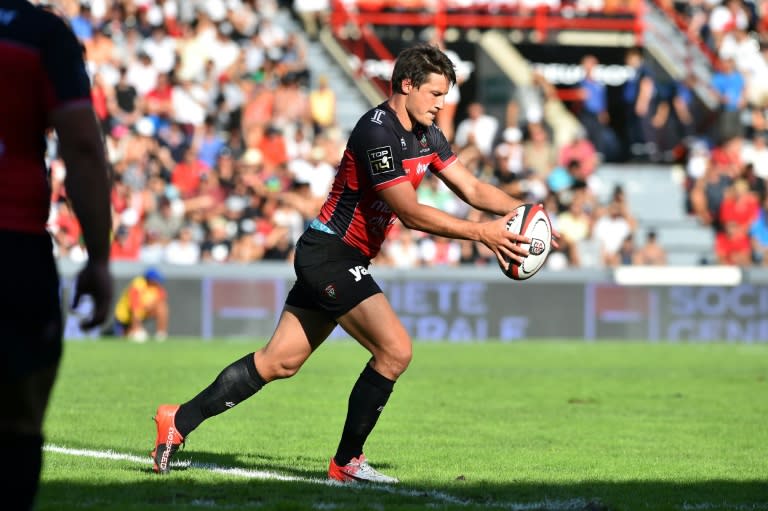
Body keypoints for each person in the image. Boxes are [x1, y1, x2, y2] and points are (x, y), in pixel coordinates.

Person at [150, 44, 552, 483]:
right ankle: (347, 463)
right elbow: (410, 211)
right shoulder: (375, 133)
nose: (442, 104)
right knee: (395, 350)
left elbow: (473, 189)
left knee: (278, 362)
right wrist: (483, 233)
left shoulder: (428, 135)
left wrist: (529, 215)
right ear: (407, 85)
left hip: (339, 256)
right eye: (435, 93)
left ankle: (178, 419)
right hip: (330, 255)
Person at [0, 2, 113, 510]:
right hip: (13, 243)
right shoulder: (40, 34)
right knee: (19, 420)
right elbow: (83, 147)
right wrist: (99, 259)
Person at [112, 268, 169, 342]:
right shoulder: (138, 285)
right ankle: (134, 330)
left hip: (141, 316)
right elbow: (134, 308)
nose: (158, 282)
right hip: (124, 319)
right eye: (156, 280)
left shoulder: (156, 287)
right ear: (150, 279)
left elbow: (162, 298)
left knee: (161, 306)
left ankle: (161, 335)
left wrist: (151, 305)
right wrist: (137, 329)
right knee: (127, 337)